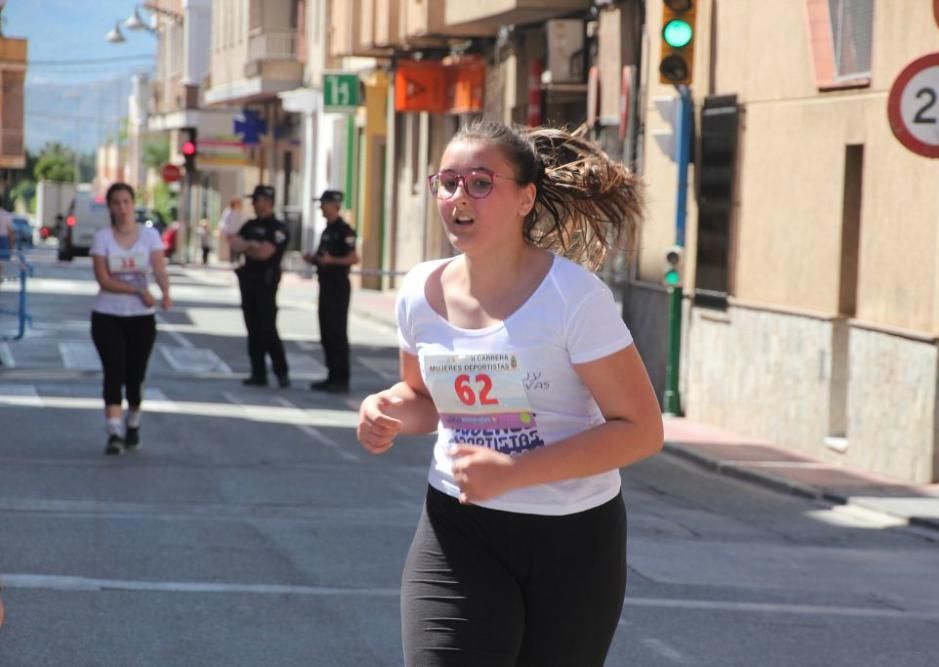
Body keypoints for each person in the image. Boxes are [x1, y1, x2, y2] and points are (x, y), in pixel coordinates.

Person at [356, 120, 663, 666]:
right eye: (446, 182)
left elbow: (640, 429)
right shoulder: (420, 293)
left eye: (479, 182)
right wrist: (386, 410)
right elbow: (423, 398)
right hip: (458, 529)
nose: (458, 198)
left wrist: (515, 473)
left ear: (525, 199)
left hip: (573, 542)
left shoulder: (572, 297)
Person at [90, 182, 172, 455]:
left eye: (126, 202)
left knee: (135, 375)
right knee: (114, 371)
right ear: (110, 207)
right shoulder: (102, 237)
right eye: (116, 203)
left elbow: (159, 268)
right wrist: (137, 289)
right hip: (107, 315)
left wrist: (165, 292)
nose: (122, 208)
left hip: (141, 318)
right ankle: (114, 432)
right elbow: (103, 280)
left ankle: (133, 424)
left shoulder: (149, 236)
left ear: (132, 204)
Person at [228, 185, 290, 388]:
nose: (254, 204)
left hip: (266, 284)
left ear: (267, 201)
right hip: (248, 282)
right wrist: (251, 246)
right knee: (253, 329)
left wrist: (251, 247)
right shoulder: (251, 225)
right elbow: (234, 242)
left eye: (257, 200)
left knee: (268, 329)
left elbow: (265, 253)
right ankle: (258, 373)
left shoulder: (278, 228)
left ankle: (281, 372)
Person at [303, 190, 358, 393]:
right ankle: (331, 375)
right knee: (326, 331)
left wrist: (331, 261)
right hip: (325, 283)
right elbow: (323, 256)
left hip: (338, 285)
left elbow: (353, 258)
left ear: (334, 205)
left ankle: (341, 378)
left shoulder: (345, 231)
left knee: (337, 332)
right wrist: (313, 259)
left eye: (324, 204)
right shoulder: (327, 230)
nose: (321, 208)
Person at [219, 198, 244, 264]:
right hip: (230, 232)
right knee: (232, 246)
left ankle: (237, 259)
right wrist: (225, 231)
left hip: (238, 232)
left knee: (238, 246)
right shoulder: (228, 211)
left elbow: (241, 222)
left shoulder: (239, 212)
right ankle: (232, 260)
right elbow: (224, 221)